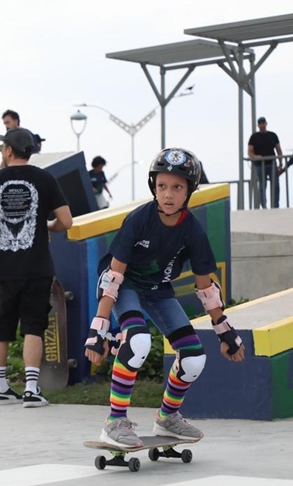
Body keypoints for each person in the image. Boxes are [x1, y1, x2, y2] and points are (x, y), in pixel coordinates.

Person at [84, 148, 245, 448]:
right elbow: (114, 276)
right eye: (161, 186)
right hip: (125, 286)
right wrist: (100, 328)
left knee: (195, 358)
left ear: (189, 191)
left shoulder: (193, 231)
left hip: (158, 290)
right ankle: (114, 422)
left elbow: (206, 289)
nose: (168, 194)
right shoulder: (139, 220)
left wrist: (224, 331)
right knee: (138, 341)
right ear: (153, 187)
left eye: (177, 187)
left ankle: (167, 418)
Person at [0, 127, 73, 408]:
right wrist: (48, 225)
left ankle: (0, 388)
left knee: (1, 328)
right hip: (37, 267)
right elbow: (66, 221)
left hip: (4, 268)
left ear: (8, 151)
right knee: (33, 327)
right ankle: (31, 389)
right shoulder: (45, 179)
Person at [247, 117, 283, 209]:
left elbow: (278, 150)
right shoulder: (254, 137)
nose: (262, 125)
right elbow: (250, 151)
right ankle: (263, 206)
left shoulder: (272, 135)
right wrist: (256, 157)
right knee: (262, 186)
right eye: (260, 123)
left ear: (266, 124)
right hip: (260, 165)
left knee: (275, 185)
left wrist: (280, 163)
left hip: (272, 163)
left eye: (263, 123)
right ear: (258, 125)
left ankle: (275, 205)